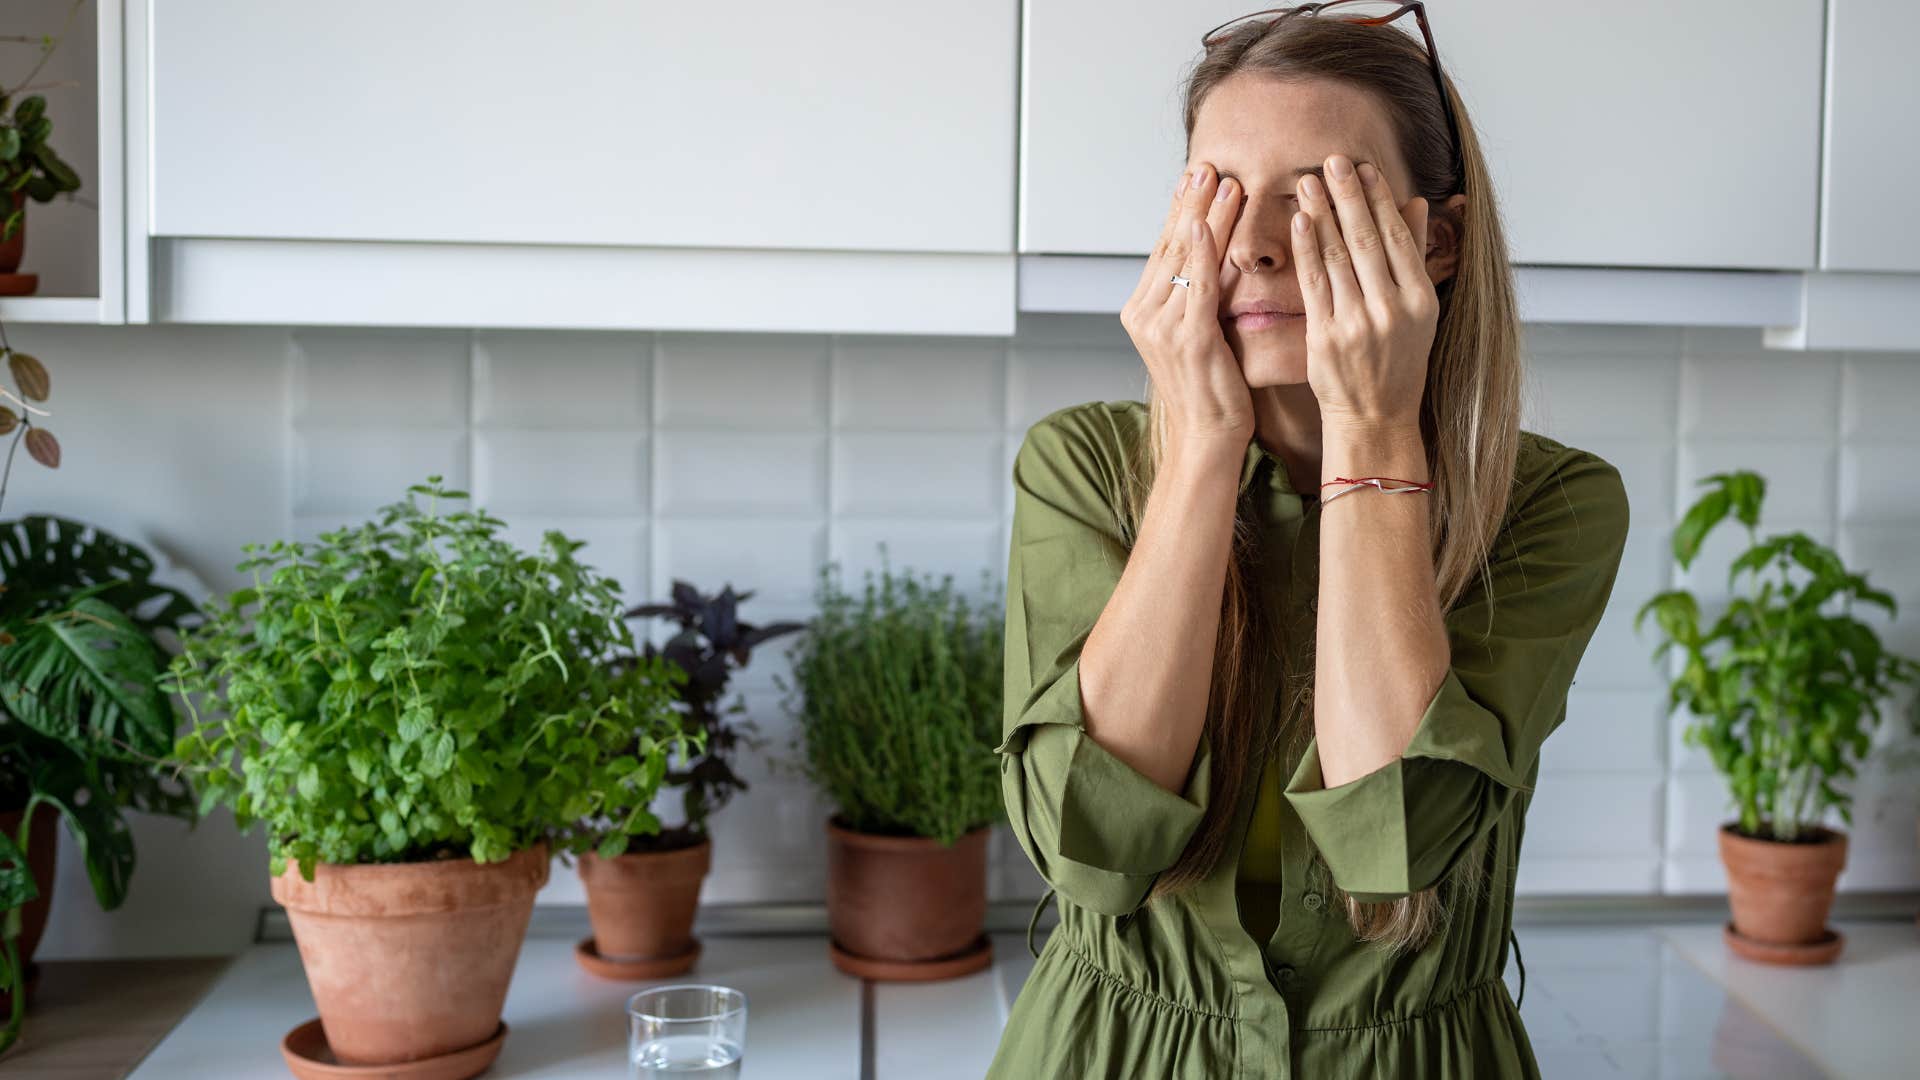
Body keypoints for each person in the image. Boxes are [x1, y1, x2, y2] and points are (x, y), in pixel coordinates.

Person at [987, 6, 1631, 1077]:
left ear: (1434, 240)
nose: (1253, 244)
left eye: (1319, 197)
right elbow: (1092, 850)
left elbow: (1392, 846)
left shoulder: (1551, 506)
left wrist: (1373, 430)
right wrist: (1197, 450)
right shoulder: (1082, 469)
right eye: (1220, 194)